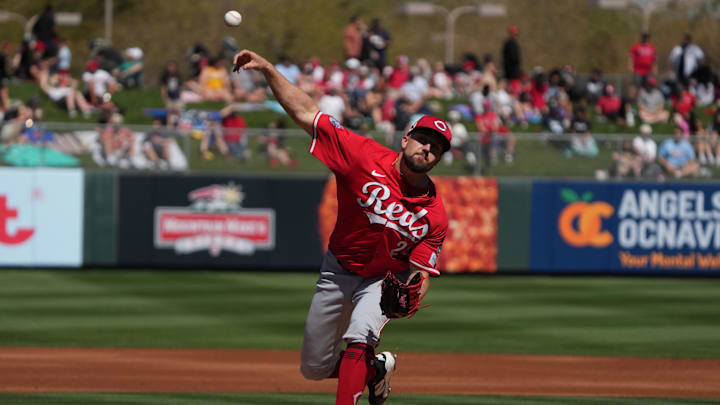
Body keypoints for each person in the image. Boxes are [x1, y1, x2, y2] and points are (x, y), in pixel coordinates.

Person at [232, 49, 450, 405]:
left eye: (437, 148)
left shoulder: (434, 214)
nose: (428, 148)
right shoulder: (360, 155)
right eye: (424, 139)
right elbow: (307, 113)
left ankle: (362, 368)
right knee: (314, 367)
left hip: (381, 280)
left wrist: (410, 295)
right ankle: (376, 370)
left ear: (438, 159)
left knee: (361, 335)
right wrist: (269, 70)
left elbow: (419, 271)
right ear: (405, 138)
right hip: (338, 270)